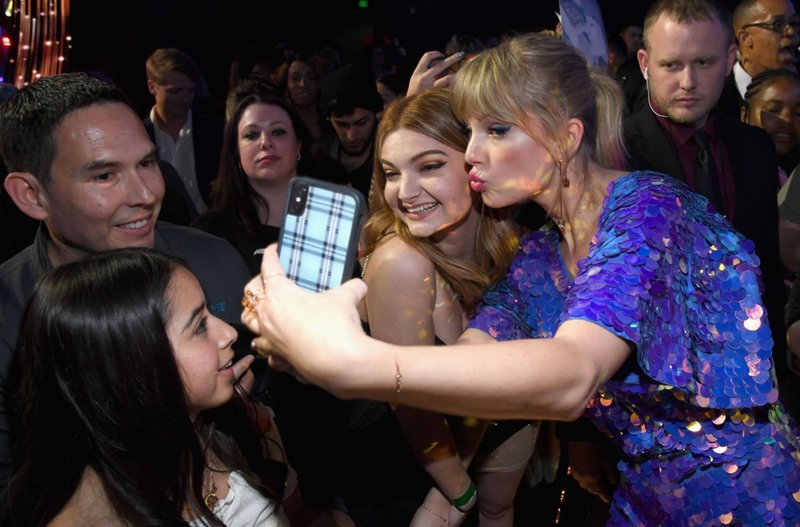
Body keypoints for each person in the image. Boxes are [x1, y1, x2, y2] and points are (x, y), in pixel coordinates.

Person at [242, 32, 800, 526]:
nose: (471, 153)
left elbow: (572, 374)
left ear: (564, 137)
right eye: (469, 132)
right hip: (644, 497)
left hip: (746, 495)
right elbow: (472, 364)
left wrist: (355, 363)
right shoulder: (539, 257)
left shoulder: (648, 211)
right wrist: (319, 340)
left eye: (496, 130)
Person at [0, 73, 251, 489]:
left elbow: (270, 409)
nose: (146, 195)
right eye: (104, 176)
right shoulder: (8, 318)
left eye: (147, 163)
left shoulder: (215, 260)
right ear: (32, 195)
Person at [4, 248, 288, 526]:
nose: (229, 333)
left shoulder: (224, 428)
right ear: (132, 368)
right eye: (199, 326)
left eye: (209, 313)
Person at [361, 87, 533, 526]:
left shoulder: (514, 243)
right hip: (411, 471)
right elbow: (411, 404)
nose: (404, 192)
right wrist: (457, 493)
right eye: (392, 173)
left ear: (476, 164)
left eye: (430, 166)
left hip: (496, 428)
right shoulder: (402, 263)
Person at [626, 0, 788, 415]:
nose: (688, 81)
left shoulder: (755, 148)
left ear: (730, 59)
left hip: (749, 390)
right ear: (644, 64)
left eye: (703, 62)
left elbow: (766, 270)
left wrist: (775, 383)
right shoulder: (615, 154)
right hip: (645, 399)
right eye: (671, 65)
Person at [193, 82, 345, 275]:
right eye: (252, 135)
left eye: (278, 132)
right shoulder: (210, 234)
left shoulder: (336, 221)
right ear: (236, 151)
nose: (265, 142)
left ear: (298, 145)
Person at [144, 48, 224, 214]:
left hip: (210, 222)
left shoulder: (215, 131)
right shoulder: (139, 135)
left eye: (191, 91)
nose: (186, 99)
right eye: (175, 91)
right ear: (152, 87)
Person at [718, 0, 799, 118]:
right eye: (778, 24)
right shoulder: (715, 98)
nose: (791, 32)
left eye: (794, 23)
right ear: (745, 38)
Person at [319, 64, 383, 201]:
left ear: (377, 114)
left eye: (361, 123)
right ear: (329, 119)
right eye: (342, 125)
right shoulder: (319, 157)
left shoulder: (391, 157)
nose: (351, 136)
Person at [740, 68, 800, 188]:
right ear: (745, 115)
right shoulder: (725, 171)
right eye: (773, 110)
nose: (787, 119)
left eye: (798, 113)